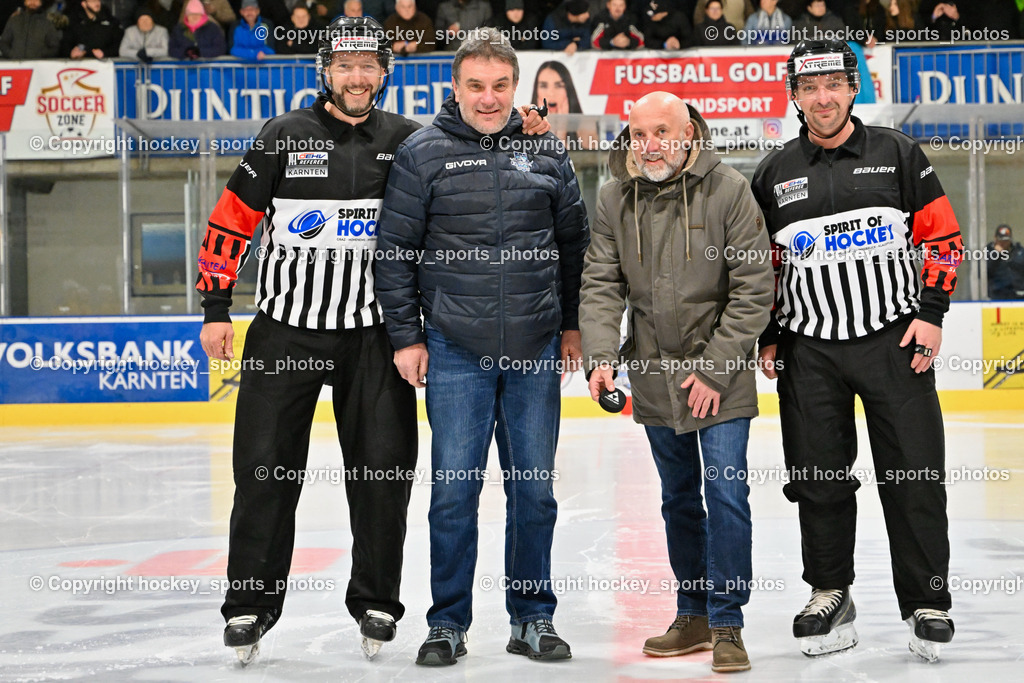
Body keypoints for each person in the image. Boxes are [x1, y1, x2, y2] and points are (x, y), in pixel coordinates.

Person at [197, 14, 550, 668]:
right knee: (264, 471)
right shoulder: (282, 137)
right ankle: (249, 603)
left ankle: (377, 599)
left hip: (375, 336)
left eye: (369, 66)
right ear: (325, 70)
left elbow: (470, 150)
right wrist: (216, 306)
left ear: (385, 72)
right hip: (285, 332)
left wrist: (522, 127)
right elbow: (230, 225)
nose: (357, 77)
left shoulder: (408, 143)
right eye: (344, 65)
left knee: (384, 474)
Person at [374, 26, 589, 667]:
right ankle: (447, 623)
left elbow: (576, 251)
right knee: (453, 493)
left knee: (534, 492)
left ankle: (533, 618)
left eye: (500, 86)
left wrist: (573, 328)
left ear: (514, 86)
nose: (489, 99)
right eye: (476, 86)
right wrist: (407, 336)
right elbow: (395, 254)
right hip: (454, 348)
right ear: (456, 86)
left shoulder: (547, 154)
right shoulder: (423, 153)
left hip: (534, 346)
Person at [751, 39, 961, 662]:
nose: (822, 98)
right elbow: (760, 269)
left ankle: (928, 601)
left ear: (851, 89)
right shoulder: (772, 172)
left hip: (893, 341)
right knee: (818, 479)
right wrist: (767, 336)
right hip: (808, 349)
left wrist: (932, 313)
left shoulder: (897, 152)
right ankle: (830, 593)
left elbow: (942, 234)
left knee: (914, 473)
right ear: (794, 95)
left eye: (834, 85)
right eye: (809, 88)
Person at [580, 91, 773, 674]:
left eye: (662, 132)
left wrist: (714, 369)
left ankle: (728, 622)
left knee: (726, 495)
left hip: (722, 375)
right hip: (655, 375)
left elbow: (754, 287)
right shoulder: (615, 197)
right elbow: (601, 283)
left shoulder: (729, 190)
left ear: (690, 132)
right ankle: (692, 613)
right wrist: (598, 354)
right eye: (639, 135)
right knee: (678, 500)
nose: (651, 145)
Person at [986, 225, 1024, 300]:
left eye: (1006, 240)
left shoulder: (1019, 251)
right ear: (995, 238)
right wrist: (996, 254)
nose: (1003, 243)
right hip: (996, 295)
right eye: (1001, 240)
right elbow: (984, 272)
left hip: (1018, 295)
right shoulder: (987, 252)